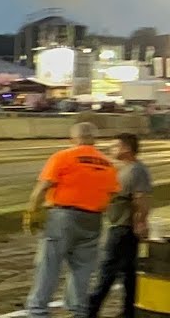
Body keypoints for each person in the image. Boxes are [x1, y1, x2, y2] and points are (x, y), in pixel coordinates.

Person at [23, 121, 120, 318]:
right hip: (93, 219)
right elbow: (112, 196)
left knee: (49, 265)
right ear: (95, 139)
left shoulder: (64, 156)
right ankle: (78, 311)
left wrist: (32, 210)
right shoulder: (108, 164)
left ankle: (38, 311)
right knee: (83, 269)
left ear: (73, 138)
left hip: (63, 217)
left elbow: (42, 188)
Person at [87, 132, 153, 318]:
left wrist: (141, 222)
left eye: (115, 146)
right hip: (120, 225)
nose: (111, 149)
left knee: (108, 269)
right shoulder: (124, 169)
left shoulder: (136, 170)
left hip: (123, 227)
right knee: (128, 271)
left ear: (126, 148)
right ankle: (129, 311)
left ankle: (91, 311)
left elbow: (141, 198)